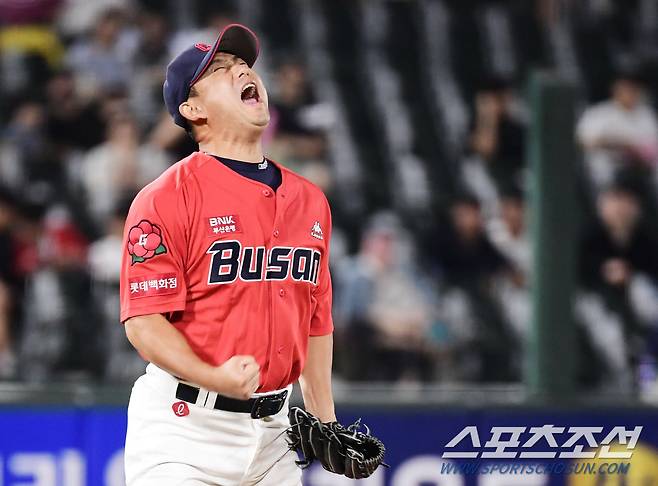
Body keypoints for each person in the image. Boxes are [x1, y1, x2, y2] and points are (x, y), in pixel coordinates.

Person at [119, 24, 335, 485]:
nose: (240, 71)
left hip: (274, 436)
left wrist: (324, 419)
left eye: (243, 65)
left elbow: (316, 320)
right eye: (220, 69)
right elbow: (143, 323)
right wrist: (212, 375)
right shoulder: (165, 197)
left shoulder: (310, 200)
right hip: (183, 428)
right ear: (192, 108)